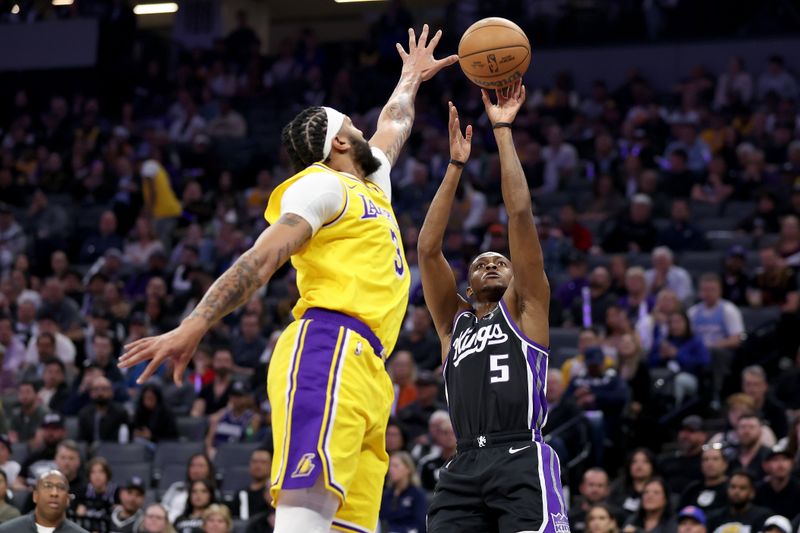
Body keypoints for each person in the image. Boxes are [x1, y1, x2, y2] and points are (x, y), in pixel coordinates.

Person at [120, 24, 457, 533]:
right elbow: (261, 258)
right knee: (303, 518)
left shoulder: (371, 183)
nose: (365, 130)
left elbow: (394, 122)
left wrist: (410, 76)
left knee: (349, 527)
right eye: (353, 125)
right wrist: (194, 325)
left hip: (370, 368)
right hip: (329, 348)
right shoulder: (320, 187)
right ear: (340, 140)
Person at [418, 84, 568, 532]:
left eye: (500, 262)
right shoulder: (454, 324)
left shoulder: (527, 309)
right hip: (463, 462)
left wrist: (502, 130)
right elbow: (428, 250)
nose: (489, 265)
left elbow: (519, 215)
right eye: (481, 263)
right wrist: (455, 166)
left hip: (520, 453)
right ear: (467, 282)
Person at [0, 470, 88, 532]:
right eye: (48, 486)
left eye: (61, 487)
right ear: (35, 496)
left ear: (68, 499)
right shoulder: (7, 530)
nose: (54, 493)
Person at [706, 471, 770, 533]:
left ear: (752, 493)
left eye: (742, 488)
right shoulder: (714, 518)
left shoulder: (762, 517)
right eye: (733, 487)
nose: (736, 492)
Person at [378, 452, 427, 533]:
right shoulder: (386, 494)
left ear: (408, 469)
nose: (391, 470)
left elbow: (420, 524)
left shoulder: (417, 495)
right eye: (390, 466)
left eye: (396, 466)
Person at [161, 453, 217, 523]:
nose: (196, 470)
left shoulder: (215, 492)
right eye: (192, 465)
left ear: (209, 469)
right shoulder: (177, 487)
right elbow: (163, 508)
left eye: (201, 466)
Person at [753, 444, 800, 519]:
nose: (780, 464)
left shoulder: (798, 489)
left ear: (792, 464)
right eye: (775, 459)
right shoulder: (758, 491)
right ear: (765, 465)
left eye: (785, 459)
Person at [679, 445, 729, 514]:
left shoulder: (731, 488)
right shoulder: (692, 489)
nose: (710, 464)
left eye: (715, 459)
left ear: (725, 464)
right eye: (705, 459)